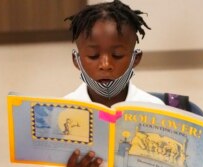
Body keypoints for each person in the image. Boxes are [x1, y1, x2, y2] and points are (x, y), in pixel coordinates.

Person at [63, 0, 164, 166]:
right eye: (93, 56)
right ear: (76, 60)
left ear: (135, 58)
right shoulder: (64, 111)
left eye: (117, 55)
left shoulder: (155, 109)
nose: (105, 65)